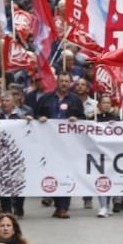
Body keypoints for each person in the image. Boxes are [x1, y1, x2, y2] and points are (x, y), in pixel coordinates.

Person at [32, 73, 85, 218]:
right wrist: (39, 119)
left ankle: (64, 207)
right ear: (57, 82)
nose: (64, 83)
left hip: (68, 145)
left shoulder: (75, 100)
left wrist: (77, 119)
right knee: (52, 174)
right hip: (49, 144)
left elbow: (83, 120)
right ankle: (57, 204)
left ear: (70, 83)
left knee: (66, 174)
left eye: (66, 81)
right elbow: (34, 115)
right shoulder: (45, 99)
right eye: (61, 81)